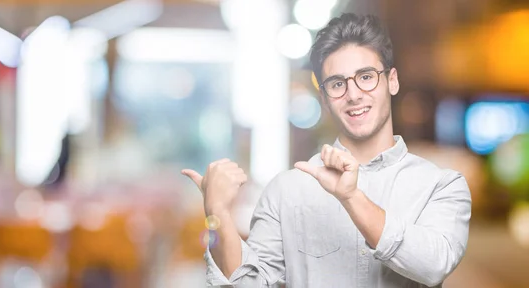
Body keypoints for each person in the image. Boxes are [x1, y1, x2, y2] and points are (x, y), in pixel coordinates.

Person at [181, 13, 471, 288]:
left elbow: (434, 266)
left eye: (366, 76)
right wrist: (216, 215)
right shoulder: (287, 191)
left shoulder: (441, 185)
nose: (354, 94)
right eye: (337, 83)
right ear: (324, 97)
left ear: (392, 81)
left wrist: (351, 197)